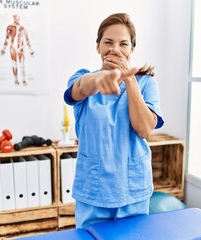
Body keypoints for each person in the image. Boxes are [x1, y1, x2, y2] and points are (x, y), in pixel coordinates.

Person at [63, 13, 164, 229]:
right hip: (93, 191)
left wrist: (129, 79)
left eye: (123, 44)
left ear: (132, 49)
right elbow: (80, 89)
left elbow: (145, 129)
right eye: (108, 42)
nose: (115, 49)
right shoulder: (83, 77)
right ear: (98, 46)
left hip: (133, 191)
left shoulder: (146, 83)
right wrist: (97, 78)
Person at [1, 14, 34, 86]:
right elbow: (7, 38)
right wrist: (3, 49)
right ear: (14, 18)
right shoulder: (10, 27)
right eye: (15, 17)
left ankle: (24, 80)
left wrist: (30, 50)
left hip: (20, 47)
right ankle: (16, 80)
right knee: (14, 64)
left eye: (17, 17)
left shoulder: (23, 27)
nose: (16, 19)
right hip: (13, 47)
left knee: (22, 64)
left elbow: (27, 39)